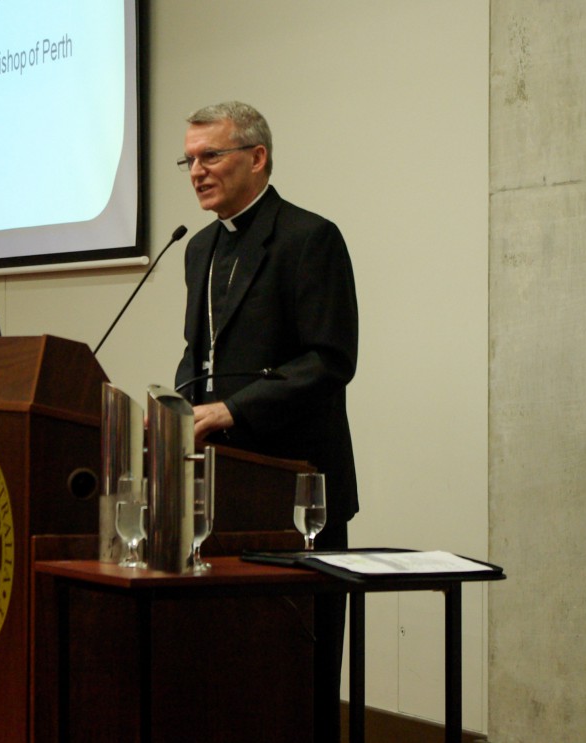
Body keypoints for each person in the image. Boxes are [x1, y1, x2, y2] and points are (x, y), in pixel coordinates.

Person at [174, 101, 358, 743]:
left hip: (296, 488)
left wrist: (233, 408)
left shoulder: (310, 237)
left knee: (299, 664)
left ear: (257, 157)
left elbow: (329, 360)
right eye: (189, 159)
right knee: (231, 666)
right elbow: (200, 356)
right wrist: (176, 409)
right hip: (222, 487)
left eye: (211, 156)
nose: (196, 171)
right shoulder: (198, 249)